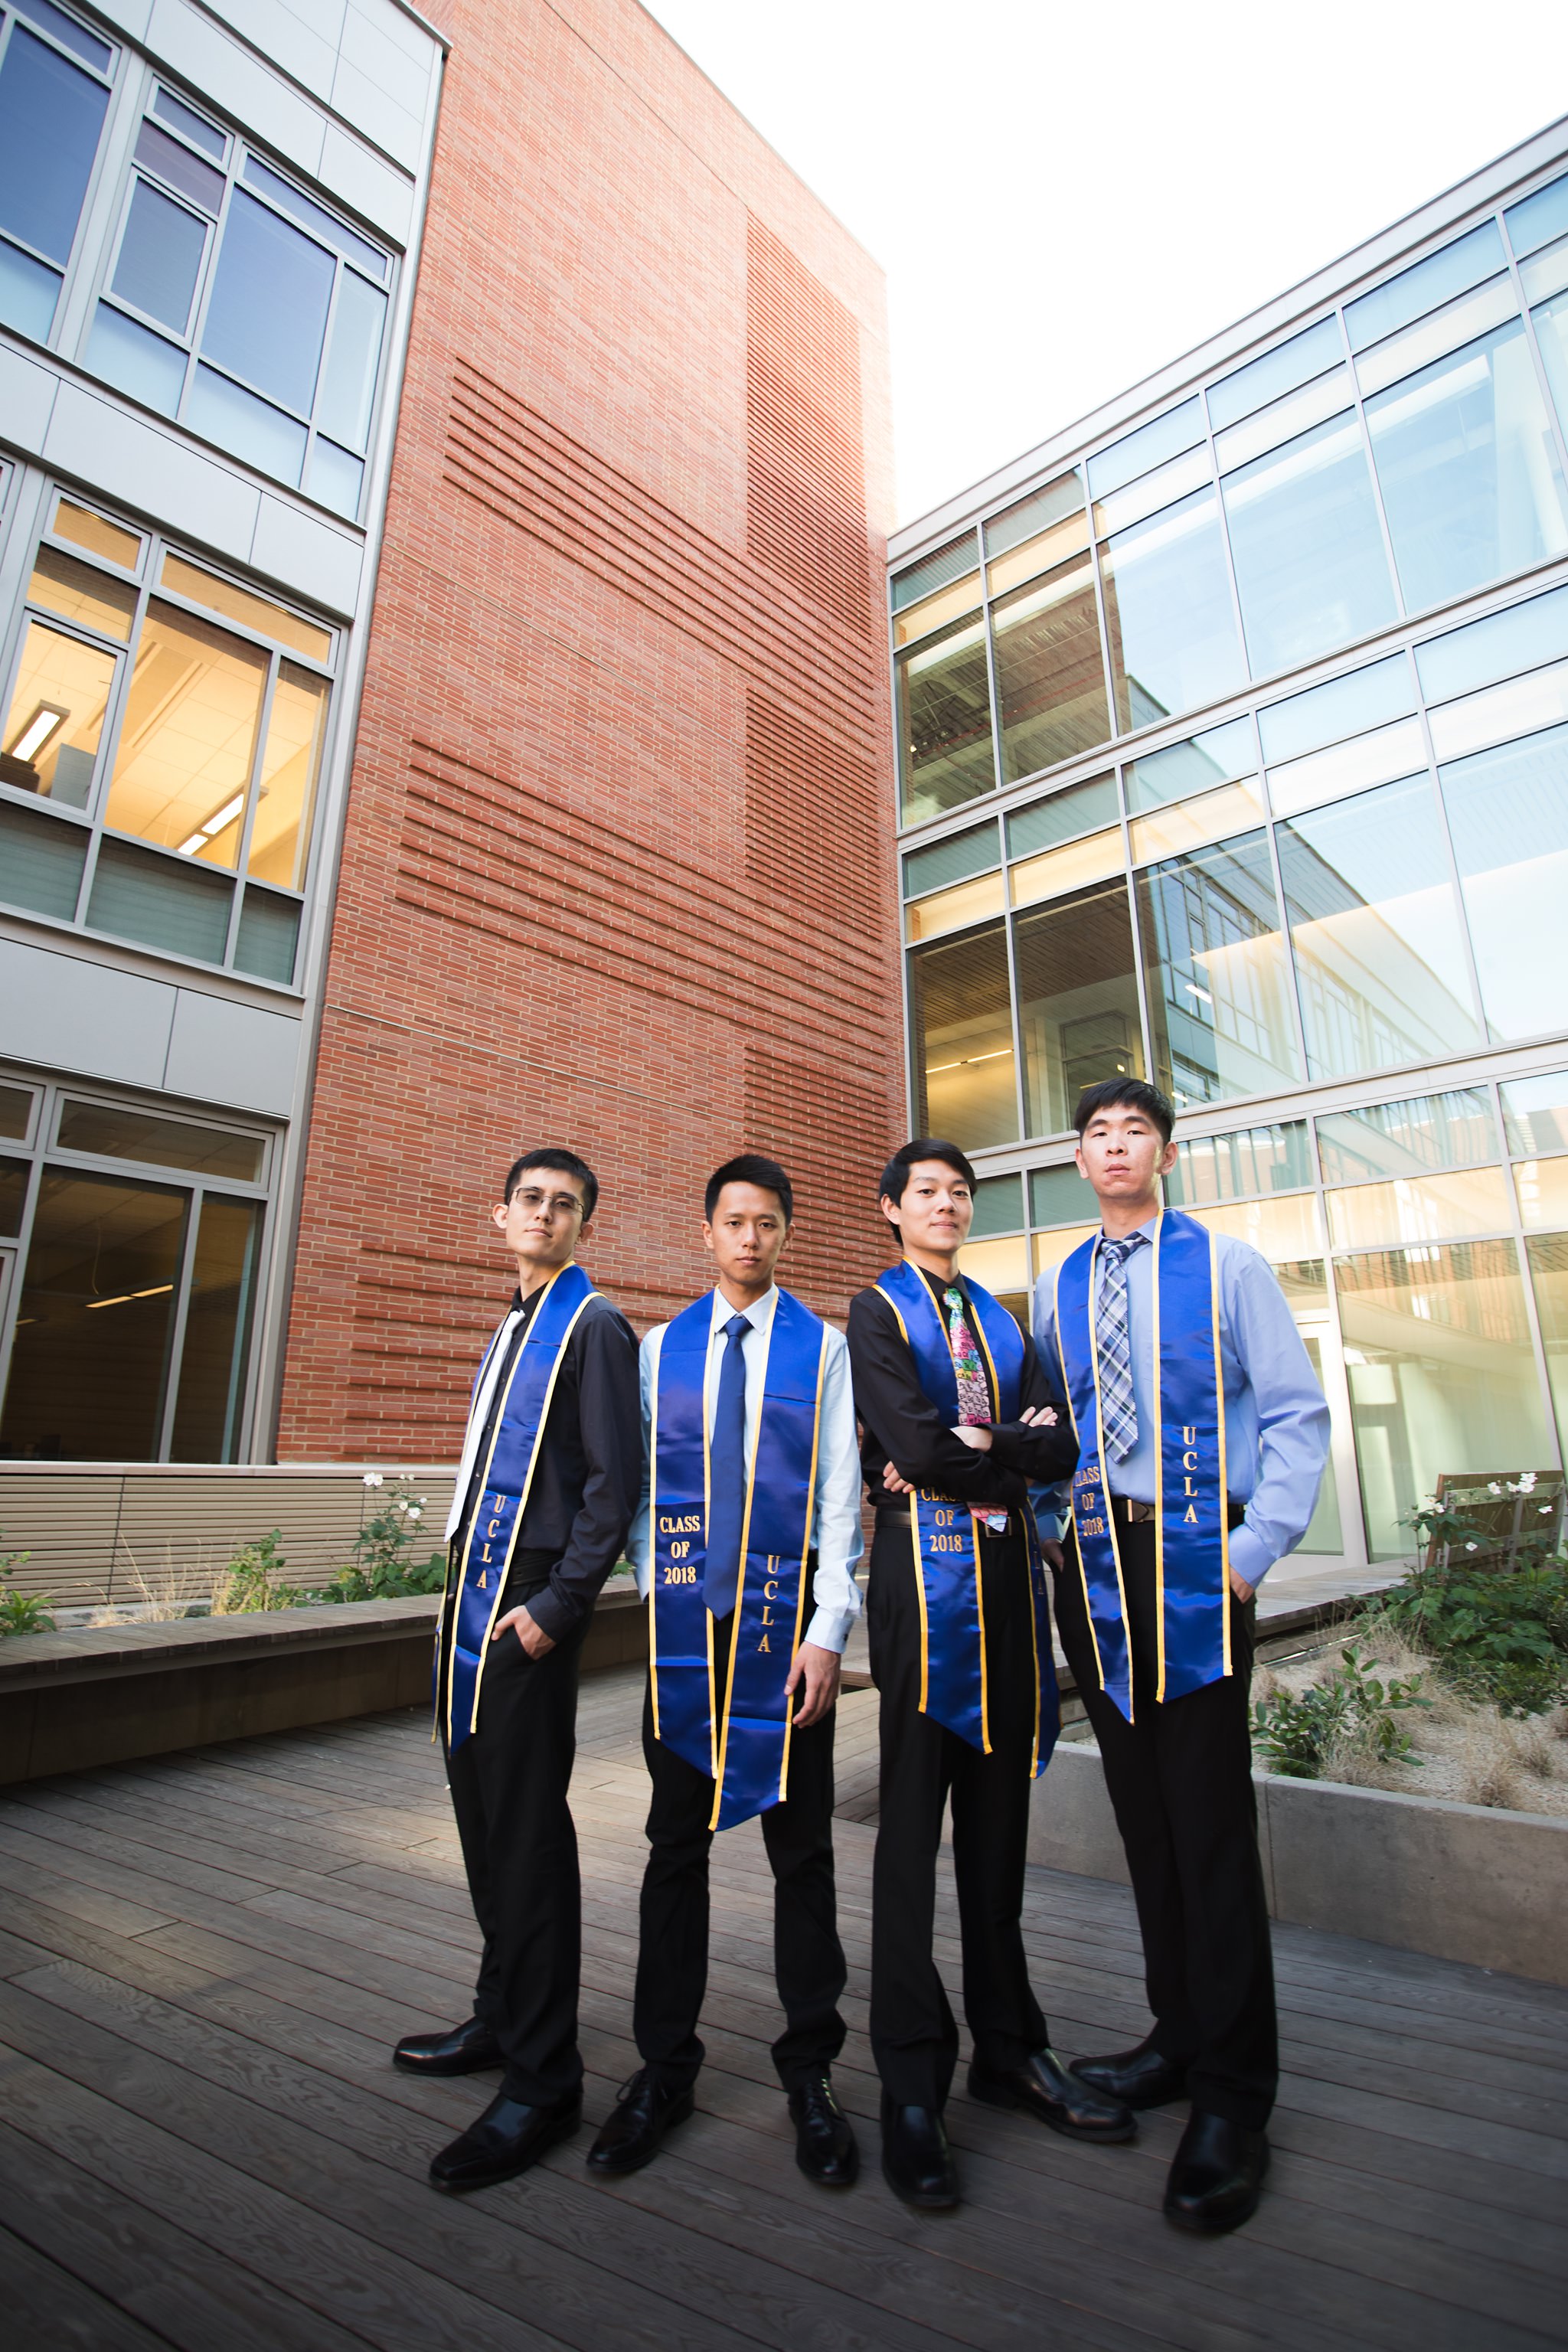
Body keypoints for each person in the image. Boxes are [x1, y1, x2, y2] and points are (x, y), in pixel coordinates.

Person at [1033, 1078, 1331, 2236]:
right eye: (1098, 1134)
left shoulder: (1230, 1268)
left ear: (1165, 1149)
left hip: (1200, 1572)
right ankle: (1177, 2035)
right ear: (1080, 1156)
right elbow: (1053, 1421)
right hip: (1096, 1580)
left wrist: (1254, 1551)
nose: (1116, 1148)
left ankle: (1235, 2098)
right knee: (1146, 1822)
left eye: (1135, 1132)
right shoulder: (1058, 1283)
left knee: (1208, 1829)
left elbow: (1297, 1413)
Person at [847, 1138, 1134, 2211]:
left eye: (962, 1194)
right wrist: (1009, 1445)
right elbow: (915, 1451)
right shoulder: (877, 1313)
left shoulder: (1005, 1319)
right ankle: (911, 2086)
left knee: (1000, 1841)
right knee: (912, 1843)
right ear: (892, 1209)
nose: (949, 1206)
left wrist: (992, 1441)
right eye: (929, 1192)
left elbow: (1065, 1449)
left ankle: (1010, 2052)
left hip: (1009, 1602)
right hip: (925, 1601)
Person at [588, 1155, 864, 2187]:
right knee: (674, 1851)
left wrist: (829, 1628)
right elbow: (645, 1492)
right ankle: (665, 2069)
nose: (751, 1239)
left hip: (787, 1631)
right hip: (687, 1636)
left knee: (803, 1856)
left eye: (768, 1224)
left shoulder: (823, 1351)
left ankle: (811, 2072)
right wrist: (661, 1596)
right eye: (734, 1222)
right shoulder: (660, 1353)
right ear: (706, 1233)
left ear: (787, 1235)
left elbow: (840, 1497)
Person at [393, 1147, 640, 2194]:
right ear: (500, 1216)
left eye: (565, 1205)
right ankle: (504, 2017)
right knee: (483, 1818)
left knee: (530, 1835)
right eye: (531, 1199)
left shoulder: (594, 1328)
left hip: (531, 1600)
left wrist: (557, 1608)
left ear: (584, 1227)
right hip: (475, 1598)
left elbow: (614, 1482)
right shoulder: (513, 1327)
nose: (545, 1214)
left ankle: (545, 2082)